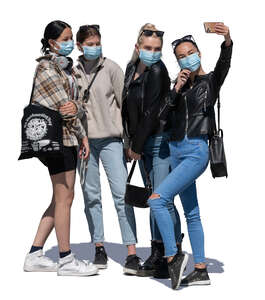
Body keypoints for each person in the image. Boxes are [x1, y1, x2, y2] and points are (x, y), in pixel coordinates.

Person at [147, 23, 233, 289]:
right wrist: (175, 89)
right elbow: (162, 117)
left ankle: (173, 256)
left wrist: (227, 39)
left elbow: (225, 62)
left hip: (196, 151)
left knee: (158, 200)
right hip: (175, 151)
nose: (187, 57)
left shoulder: (211, 82)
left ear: (199, 53)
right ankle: (200, 269)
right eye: (182, 55)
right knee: (192, 213)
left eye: (190, 52)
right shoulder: (180, 87)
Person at [23, 20, 98, 277]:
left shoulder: (66, 69)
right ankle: (66, 260)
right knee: (65, 198)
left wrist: (81, 131)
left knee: (60, 198)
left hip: (68, 138)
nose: (68, 43)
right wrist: (77, 114)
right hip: (58, 140)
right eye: (65, 38)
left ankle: (34, 254)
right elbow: (64, 106)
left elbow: (76, 105)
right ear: (51, 41)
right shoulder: (47, 67)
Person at [74, 25, 139, 274]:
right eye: (89, 43)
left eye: (97, 42)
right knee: (91, 197)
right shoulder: (72, 71)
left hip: (112, 139)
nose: (94, 47)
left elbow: (125, 106)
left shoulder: (111, 68)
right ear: (80, 46)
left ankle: (131, 251)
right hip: (84, 141)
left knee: (122, 195)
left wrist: (128, 142)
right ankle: (98, 246)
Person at [122, 23, 182, 278]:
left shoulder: (158, 70)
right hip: (140, 142)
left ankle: (172, 252)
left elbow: (151, 114)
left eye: (157, 49)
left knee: (161, 198)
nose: (153, 52)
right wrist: (130, 141)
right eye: (148, 48)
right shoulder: (131, 69)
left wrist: (135, 146)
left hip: (157, 141)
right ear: (138, 47)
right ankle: (158, 250)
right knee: (153, 197)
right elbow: (127, 108)